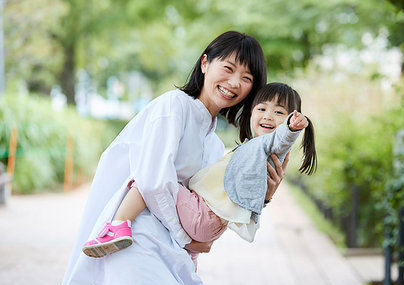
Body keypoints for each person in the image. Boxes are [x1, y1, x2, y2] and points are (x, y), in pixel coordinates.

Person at [58, 31, 288, 285]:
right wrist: (186, 239)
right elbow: (152, 181)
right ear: (204, 64)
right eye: (228, 68)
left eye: (247, 78)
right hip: (136, 242)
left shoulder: (214, 146)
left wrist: (263, 197)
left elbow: (214, 210)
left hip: (176, 256)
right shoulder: (173, 107)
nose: (234, 82)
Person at [82, 82, 317, 268]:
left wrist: (291, 129)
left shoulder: (269, 146)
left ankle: (117, 226)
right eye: (262, 109)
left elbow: (281, 140)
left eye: (279, 113)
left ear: (290, 117)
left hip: (204, 217)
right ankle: (190, 259)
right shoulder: (251, 148)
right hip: (209, 223)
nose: (268, 116)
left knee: (146, 180)